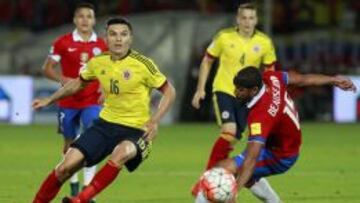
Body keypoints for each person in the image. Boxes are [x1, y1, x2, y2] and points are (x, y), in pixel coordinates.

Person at [32, 17, 176, 203]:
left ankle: (80, 200)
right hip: (105, 125)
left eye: (123, 34)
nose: (118, 39)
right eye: (113, 34)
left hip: (137, 130)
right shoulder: (98, 62)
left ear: (130, 38)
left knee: (121, 153)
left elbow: (169, 91)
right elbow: (77, 84)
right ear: (106, 39)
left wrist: (155, 120)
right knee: (64, 168)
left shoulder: (143, 64)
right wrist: (50, 99)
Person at [195, 67, 356, 203]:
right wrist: (333, 80)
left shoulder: (261, 115)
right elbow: (302, 79)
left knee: (220, 171)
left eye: (241, 90)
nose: (236, 92)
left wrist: (233, 192)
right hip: (281, 145)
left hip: (281, 156)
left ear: (254, 90)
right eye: (236, 87)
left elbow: (251, 159)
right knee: (246, 175)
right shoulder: (272, 78)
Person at [191, 2, 277, 197]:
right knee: (229, 131)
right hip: (225, 90)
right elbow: (207, 60)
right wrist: (200, 89)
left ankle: (217, 176)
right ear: (237, 19)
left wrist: (270, 97)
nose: (247, 22)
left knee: (237, 136)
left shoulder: (265, 42)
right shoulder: (224, 37)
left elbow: (271, 72)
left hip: (248, 97)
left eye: (251, 18)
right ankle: (204, 180)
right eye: (244, 18)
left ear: (257, 20)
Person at [42, 2, 107, 199]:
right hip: (68, 101)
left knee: (91, 139)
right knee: (69, 143)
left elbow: (108, 69)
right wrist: (63, 79)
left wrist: (104, 88)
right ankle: (73, 182)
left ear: (94, 20)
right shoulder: (62, 42)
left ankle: (88, 189)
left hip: (92, 100)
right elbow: (47, 68)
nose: (85, 20)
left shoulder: (102, 44)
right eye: (81, 16)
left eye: (89, 16)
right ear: (74, 20)